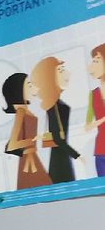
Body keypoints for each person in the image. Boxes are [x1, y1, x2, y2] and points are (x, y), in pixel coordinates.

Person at [32, 55, 79, 184]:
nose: (67, 74)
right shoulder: (54, 106)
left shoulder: (57, 104)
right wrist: (77, 156)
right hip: (60, 162)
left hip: (60, 159)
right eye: (61, 70)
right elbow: (57, 138)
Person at [1, 71, 50, 190]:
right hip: (28, 162)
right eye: (29, 84)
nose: (34, 87)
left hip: (32, 160)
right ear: (19, 90)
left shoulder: (24, 111)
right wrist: (31, 141)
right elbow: (11, 146)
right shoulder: (21, 112)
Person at [84, 42, 105, 177]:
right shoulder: (93, 95)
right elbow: (87, 126)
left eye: (96, 61)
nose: (91, 66)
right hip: (101, 152)